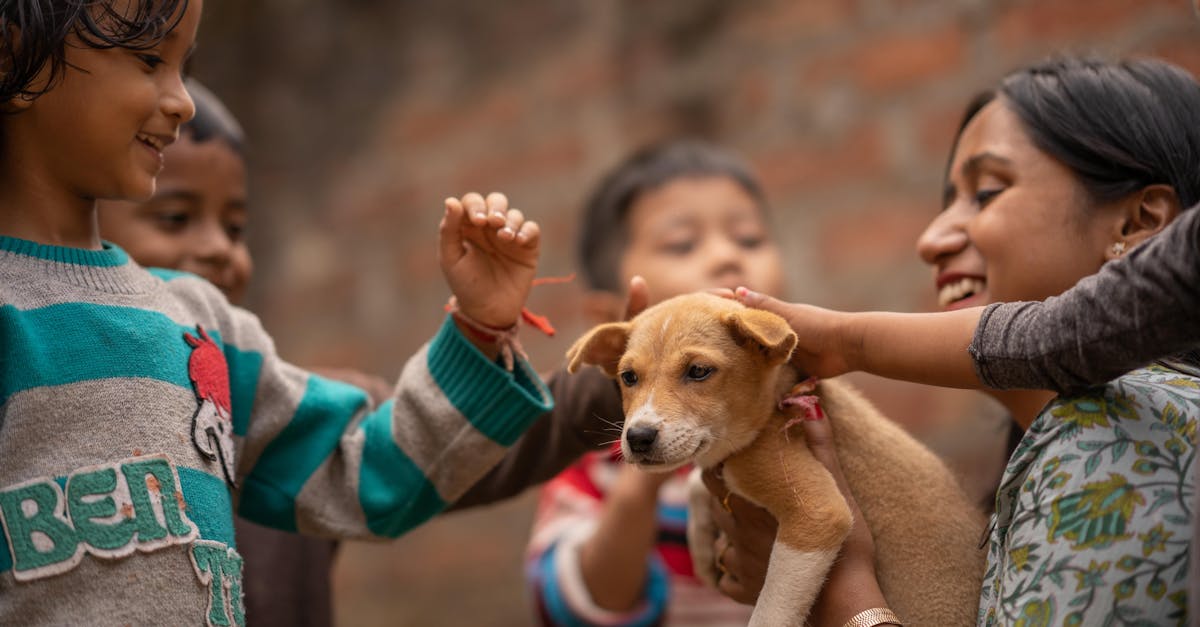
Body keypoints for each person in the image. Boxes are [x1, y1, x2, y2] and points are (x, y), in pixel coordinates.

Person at [0, 2, 555, 624]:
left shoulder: (199, 325)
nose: (181, 101)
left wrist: (479, 329)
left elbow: (359, 468)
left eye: (184, 66)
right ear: (12, 55)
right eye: (149, 59)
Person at [701, 57, 1200, 626]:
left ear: (1139, 225)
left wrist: (839, 593)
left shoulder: (1109, 438)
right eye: (946, 201)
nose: (930, 239)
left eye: (987, 193)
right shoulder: (1073, 444)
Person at [525, 140, 784, 626]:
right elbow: (573, 604)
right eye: (683, 244)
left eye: (748, 238)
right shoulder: (596, 461)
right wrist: (646, 465)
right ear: (610, 321)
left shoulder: (807, 420)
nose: (727, 256)